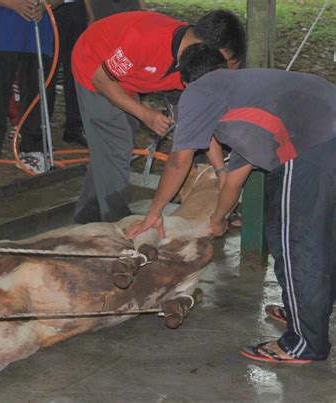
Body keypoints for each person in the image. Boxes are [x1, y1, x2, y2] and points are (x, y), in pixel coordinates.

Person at [127, 43, 336, 363]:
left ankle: (304, 341)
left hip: (311, 137)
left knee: (295, 239)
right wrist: (218, 219)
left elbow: (178, 163)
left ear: (185, 82)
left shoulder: (198, 92)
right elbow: (233, 181)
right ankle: (307, 310)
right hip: (321, 125)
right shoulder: (240, 100)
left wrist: (153, 214)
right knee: (313, 233)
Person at [71, 10, 246, 224]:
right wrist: (145, 114)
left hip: (129, 77)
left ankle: (87, 216)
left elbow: (199, 123)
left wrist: (221, 172)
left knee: (111, 147)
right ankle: (117, 223)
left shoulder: (195, 63)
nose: (222, 75)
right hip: (94, 67)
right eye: (224, 64)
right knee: (115, 143)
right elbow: (102, 79)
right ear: (208, 49)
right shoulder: (145, 40)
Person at [0, 0, 58, 180]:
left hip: (38, 30)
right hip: (3, 29)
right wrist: (14, 4)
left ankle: (33, 149)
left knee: (38, 92)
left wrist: (44, 6)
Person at [53, 0, 88, 146]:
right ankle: (39, 130)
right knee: (49, 66)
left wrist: (89, 13)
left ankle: (74, 126)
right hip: (53, 9)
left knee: (75, 69)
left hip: (77, 7)